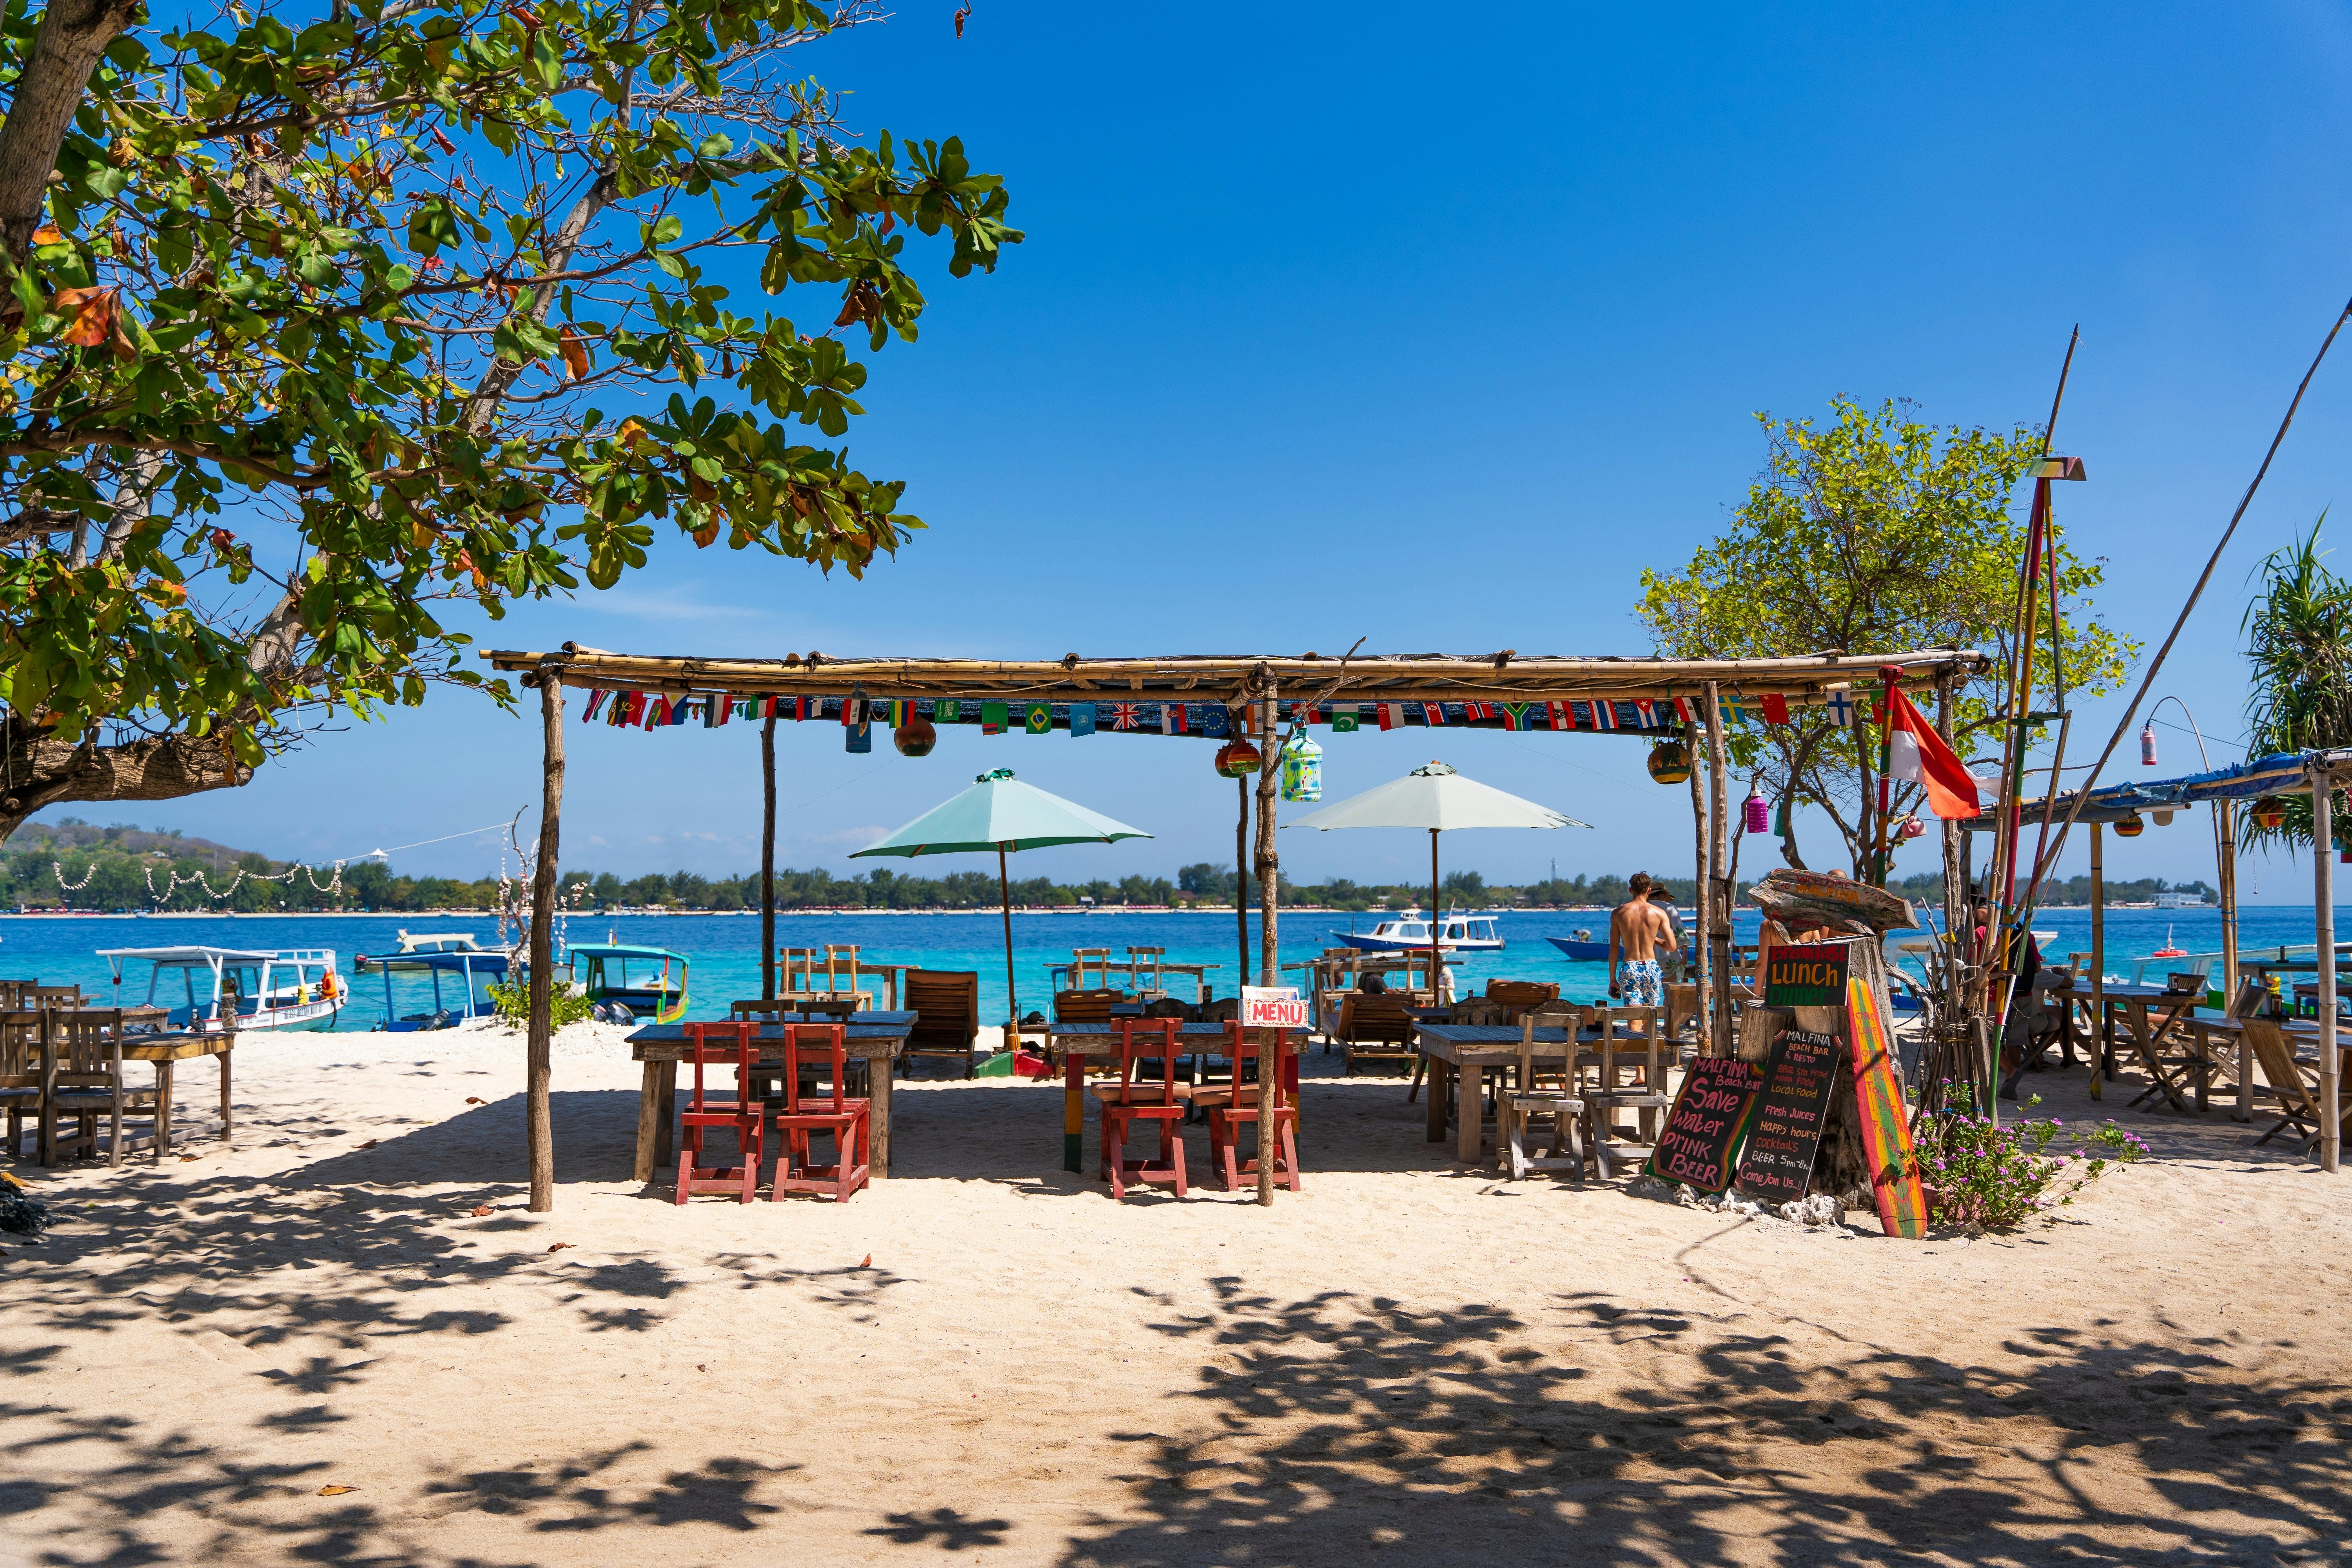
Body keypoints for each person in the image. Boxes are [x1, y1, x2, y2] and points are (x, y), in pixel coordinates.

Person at [1609, 871, 1675, 1006]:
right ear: (1649, 891)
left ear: (1630, 890)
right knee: (1650, 1014)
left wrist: (1613, 980)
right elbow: (1672, 947)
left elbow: (1614, 949)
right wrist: (1654, 939)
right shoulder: (1659, 913)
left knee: (1633, 1014)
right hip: (1651, 967)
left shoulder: (1618, 913)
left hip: (1630, 967)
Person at [1649, 887, 1687, 982]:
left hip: (1648, 955)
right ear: (1663, 895)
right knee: (1669, 989)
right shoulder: (1670, 908)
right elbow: (1678, 930)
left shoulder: (1642, 908)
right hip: (1669, 956)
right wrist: (1685, 952)